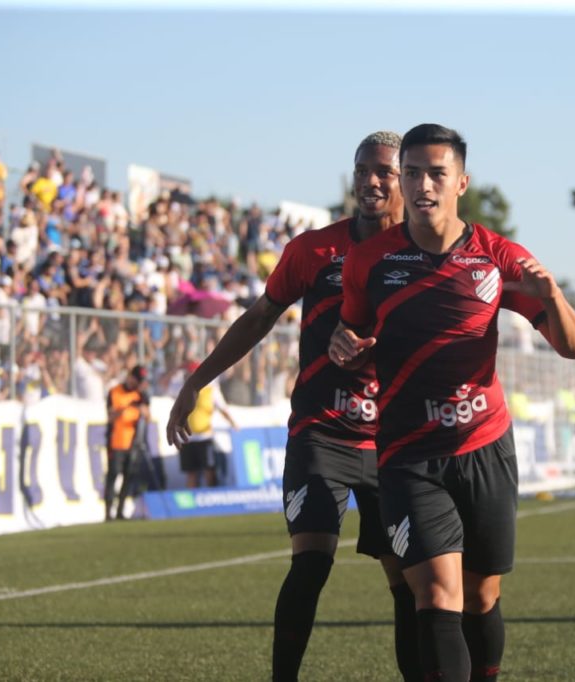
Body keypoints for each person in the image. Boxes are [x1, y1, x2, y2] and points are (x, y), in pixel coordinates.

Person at [330, 123, 575, 682]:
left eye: (436, 174)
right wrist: (343, 346)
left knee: (480, 594)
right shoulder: (368, 262)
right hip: (407, 453)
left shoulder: (498, 258)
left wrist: (554, 295)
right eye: (413, 173)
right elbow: (349, 341)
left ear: (461, 182)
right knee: (437, 593)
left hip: (483, 445)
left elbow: (573, 347)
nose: (423, 185)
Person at [166, 131, 420, 682]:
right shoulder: (312, 250)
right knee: (309, 566)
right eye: (361, 170)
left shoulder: (421, 255)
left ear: (405, 179)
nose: (370, 181)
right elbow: (259, 317)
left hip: (391, 440)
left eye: (383, 171)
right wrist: (198, 381)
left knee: (409, 585)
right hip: (320, 432)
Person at [179, 362, 238, 488]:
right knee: (191, 474)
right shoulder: (183, 388)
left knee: (209, 471)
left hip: (204, 437)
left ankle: (210, 500)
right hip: (187, 438)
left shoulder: (211, 390)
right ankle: (191, 503)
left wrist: (233, 424)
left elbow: (223, 409)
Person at [105, 365, 150, 521]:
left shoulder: (141, 395)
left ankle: (120, 512)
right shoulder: (114, 392)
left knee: (128, 477)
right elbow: (110, 417)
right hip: (116, 442)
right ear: (130, 377)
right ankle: (108, 513)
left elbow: (148, 416)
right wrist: (123, 409)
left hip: (133, 443)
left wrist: (142, 407)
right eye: (137, 379)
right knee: (113, 477)